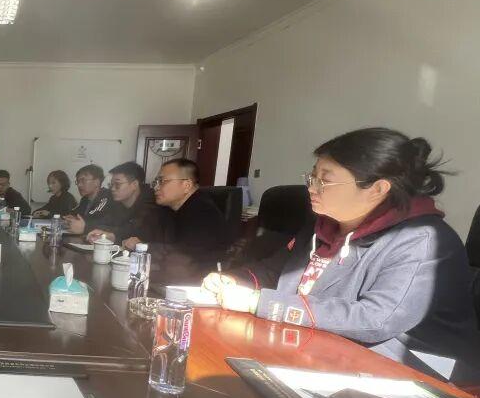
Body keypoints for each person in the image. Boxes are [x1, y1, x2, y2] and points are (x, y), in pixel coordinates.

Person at [202, 128, 480, 384]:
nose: (311, 188)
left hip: (413, 376)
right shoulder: (324, 226)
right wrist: (234, 280)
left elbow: (375, 319)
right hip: (318, 352)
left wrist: (258, 302)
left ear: (377, 189)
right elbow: (276, 271)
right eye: (312, 177)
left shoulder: (422, 240)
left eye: (325, 181)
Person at [126, 159, 228, 282]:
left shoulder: (204, 212)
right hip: (173, 275)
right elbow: (147, 234)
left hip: (200, 282)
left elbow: (184, 254)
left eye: (162, 181)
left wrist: (143, 246)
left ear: (186, 185)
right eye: (156, 182)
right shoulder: (169, 209)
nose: (156, 187)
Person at [86, 162, 169, 244]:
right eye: (111, 185)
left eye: (117, 184)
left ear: (134, 184)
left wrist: (112, 235)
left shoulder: (151, 203)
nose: (113, 189)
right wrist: (88, 227)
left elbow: (136, 230)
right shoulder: (117, 201)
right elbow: (106, 221)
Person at [64, 164, 111, 235]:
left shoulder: (106, 197)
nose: (79, 185)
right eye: (78, 181)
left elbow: (94, 217)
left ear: (97, 182)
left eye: (83, 180)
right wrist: (72, 217)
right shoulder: (85, 199)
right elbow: (75, 213)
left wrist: (79, 221)